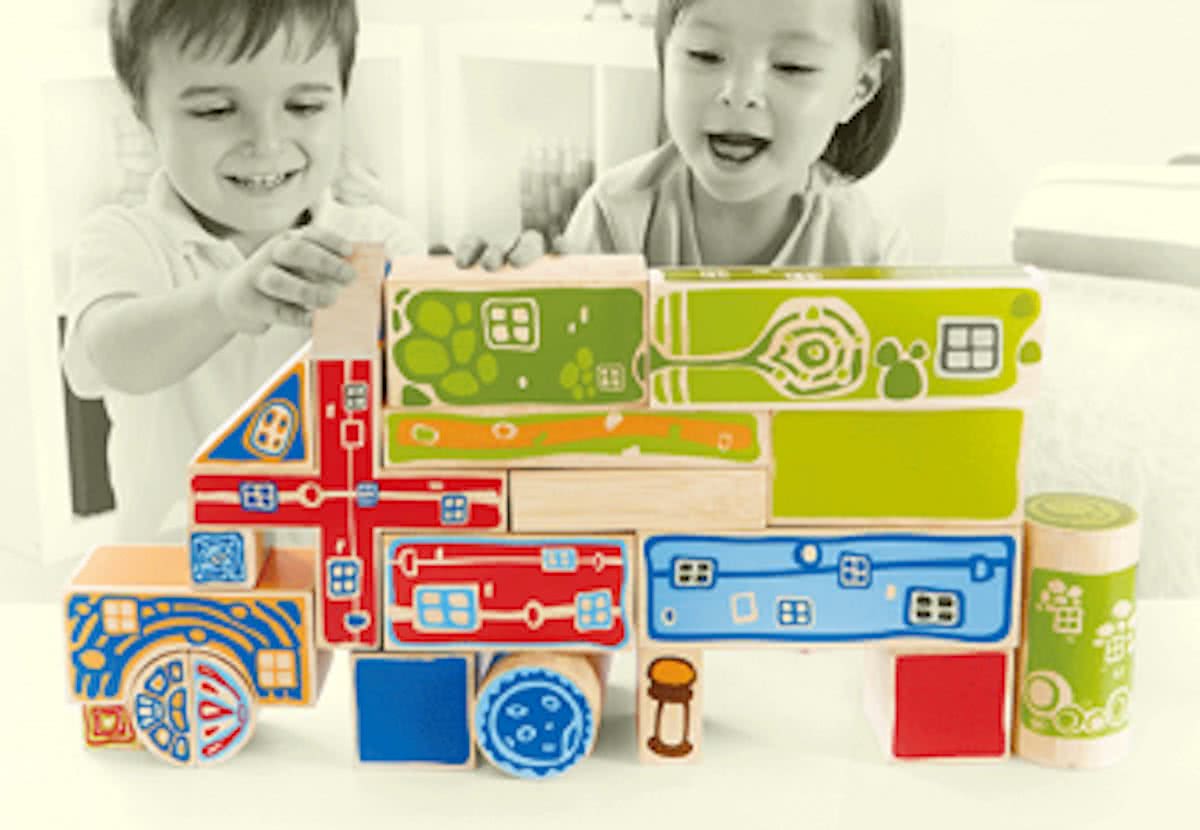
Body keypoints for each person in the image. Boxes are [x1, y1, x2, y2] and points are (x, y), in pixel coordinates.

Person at [63, 0, 423, 542]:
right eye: (215, 111)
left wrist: (501, 285)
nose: (267, 142)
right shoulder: (125, 238)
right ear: (142, 113)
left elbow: (435, 401)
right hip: (180, 578)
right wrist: (223, 303)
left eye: (303, 106)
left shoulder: (380, 241)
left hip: (340, 573)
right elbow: (107, 357)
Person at [458, 0, 906, 269]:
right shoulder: (614, 214)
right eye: (705, 55)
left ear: (860, 87)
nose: (738, 94)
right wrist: (523, 282)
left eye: (793, 66)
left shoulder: (870, 248)